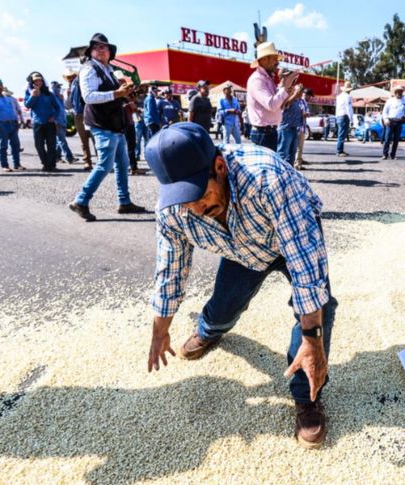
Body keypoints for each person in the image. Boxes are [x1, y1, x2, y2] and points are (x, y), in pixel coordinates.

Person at [144, 122, 337, 449]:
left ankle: (307, 395)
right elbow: (171, 271)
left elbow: (307, 270)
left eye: (199, 194)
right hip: (241, 248)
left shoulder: (269, 179)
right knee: (224, 307)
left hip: (289, 234)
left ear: (219, 167)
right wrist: (160, 330)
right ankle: (209, 328)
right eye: (184, 199)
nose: (196, 209)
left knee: (319, 310)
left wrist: (313, 342)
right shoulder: (174, 212)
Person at [68, 33, 147, 222]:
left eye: (105, 46)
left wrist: (127, 94)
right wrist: (117, 93)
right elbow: (89, 97)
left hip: (113, 123)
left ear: (110, 52)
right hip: (101, 123)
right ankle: (81, 200)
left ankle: (125, 201)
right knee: (105, 165)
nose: (102, 49)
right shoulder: (89, 69)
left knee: (122, 164)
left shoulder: (107, 69)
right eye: (97, 46)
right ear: (91, 51)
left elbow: (113, 95)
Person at [246, 41, 299, 151]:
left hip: (268, 133)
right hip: (263, 134)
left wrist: (287, 93)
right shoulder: (257, 80)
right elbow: (271, 105)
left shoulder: (267, 79)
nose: (277, 62)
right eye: (274, 58)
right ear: (264, 59)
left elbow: (279, 106)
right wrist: (284, 88)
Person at [24, 71, 61, 171]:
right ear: (32, 82)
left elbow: (58, 108)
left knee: (51, 145)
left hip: (49, 122)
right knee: (39, 145)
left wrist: (54, 117)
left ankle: (51, 165)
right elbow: (27, 105)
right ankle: (45, 163)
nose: (38, 82)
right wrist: (33, 96)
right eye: (36, 81)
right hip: (37, 122)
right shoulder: (29, 92)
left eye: (40, 80)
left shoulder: (49, 93)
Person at [0, 77, 24, 172]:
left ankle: (17, 164)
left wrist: (18, 120)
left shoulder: (8, 98)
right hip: (1, 124)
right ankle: (5, 165)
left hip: (13, 123)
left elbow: (14, 109)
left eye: (0, 84)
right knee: (3, 146)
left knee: (15, 145)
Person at [66, 68, 94, 170]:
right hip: (78, 114)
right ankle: (87, 161)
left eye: (73, 76)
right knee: (83, 139)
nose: (71, 78)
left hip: (88, 112)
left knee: (94, 137)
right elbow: (68, 105)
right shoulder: (71, 88)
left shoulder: (84, 82)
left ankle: (100, 161)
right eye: (69, 77)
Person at [380, 85, 405, 160]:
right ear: (395, 92)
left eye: (400, 91)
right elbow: (385, 111)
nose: (399, 93)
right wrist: (386, 119)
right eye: (397, 91)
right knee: (387, 139)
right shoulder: (390, 100)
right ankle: (385, 154)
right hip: (390, 121)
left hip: (399, 121)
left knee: (396, 140)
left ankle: (393, 154)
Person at [277, 83, 304, 166]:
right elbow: (287, 104)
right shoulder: (288, 99)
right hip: (286, 129)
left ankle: (290, 173)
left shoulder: (298, 101)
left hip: (294, 129)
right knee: (282, 154)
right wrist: (296, 93)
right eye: (300, 92)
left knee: (292, 154)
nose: (301, 94)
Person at [51, 80, 76, 164]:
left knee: (60, 141)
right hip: (57, 122)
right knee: (62, 141)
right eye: (57, 87)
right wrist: (55, 121)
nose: (59, 88)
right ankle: (69, 157)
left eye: (59, 87)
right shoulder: (51, 98)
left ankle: (56, 157)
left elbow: (66, 107)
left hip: (62, 121)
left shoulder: (59, 97)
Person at [294, 88, 312, 170]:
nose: (310, 98)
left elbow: (306, 113)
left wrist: (305, 114)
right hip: (298, 127)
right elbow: (301, 114)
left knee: (300, 146)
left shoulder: (303, 102)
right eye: (309, 96)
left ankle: (298, 161)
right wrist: (304, 114)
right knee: (297, 147)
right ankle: (297, 164)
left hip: (302, 126)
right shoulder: (297, 101)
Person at [335, 81, 353, 157]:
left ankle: (340, 150)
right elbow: (349, 108)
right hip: (344, 116)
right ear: (349, 90)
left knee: (340, 134)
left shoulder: (339, 96)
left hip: (339, 116)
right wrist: (351, 119)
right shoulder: (348, 97)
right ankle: (339, 151)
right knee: (342, 134)